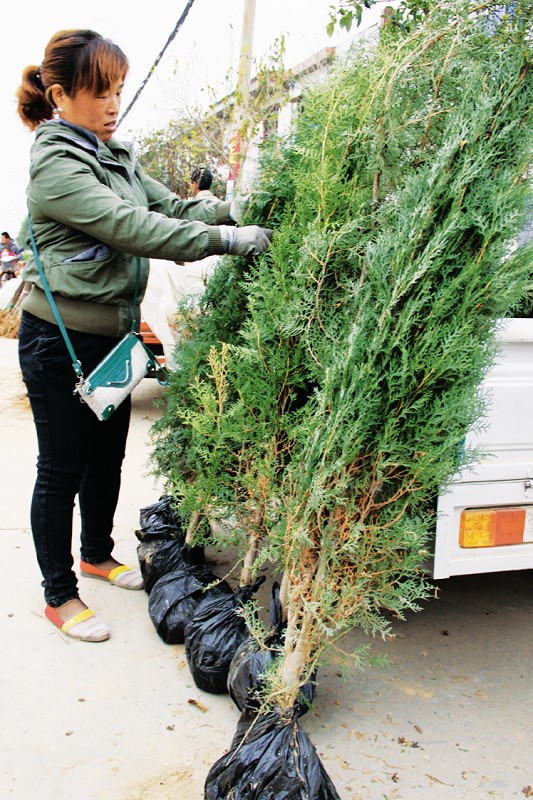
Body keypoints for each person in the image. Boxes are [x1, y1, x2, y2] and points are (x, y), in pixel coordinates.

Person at [16, 29, 272, 643]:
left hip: (116, 341)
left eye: (118, 91)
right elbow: (133, 226)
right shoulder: (55, 164)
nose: (113, 104)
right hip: (60, 343)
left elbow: (174, 208)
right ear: (60, 95)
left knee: (108, 455)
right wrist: (225, 243)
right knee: (61, 466)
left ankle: (96, 555)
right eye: (100, 91)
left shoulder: (119, 157)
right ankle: (59, 594)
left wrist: (233, 211)